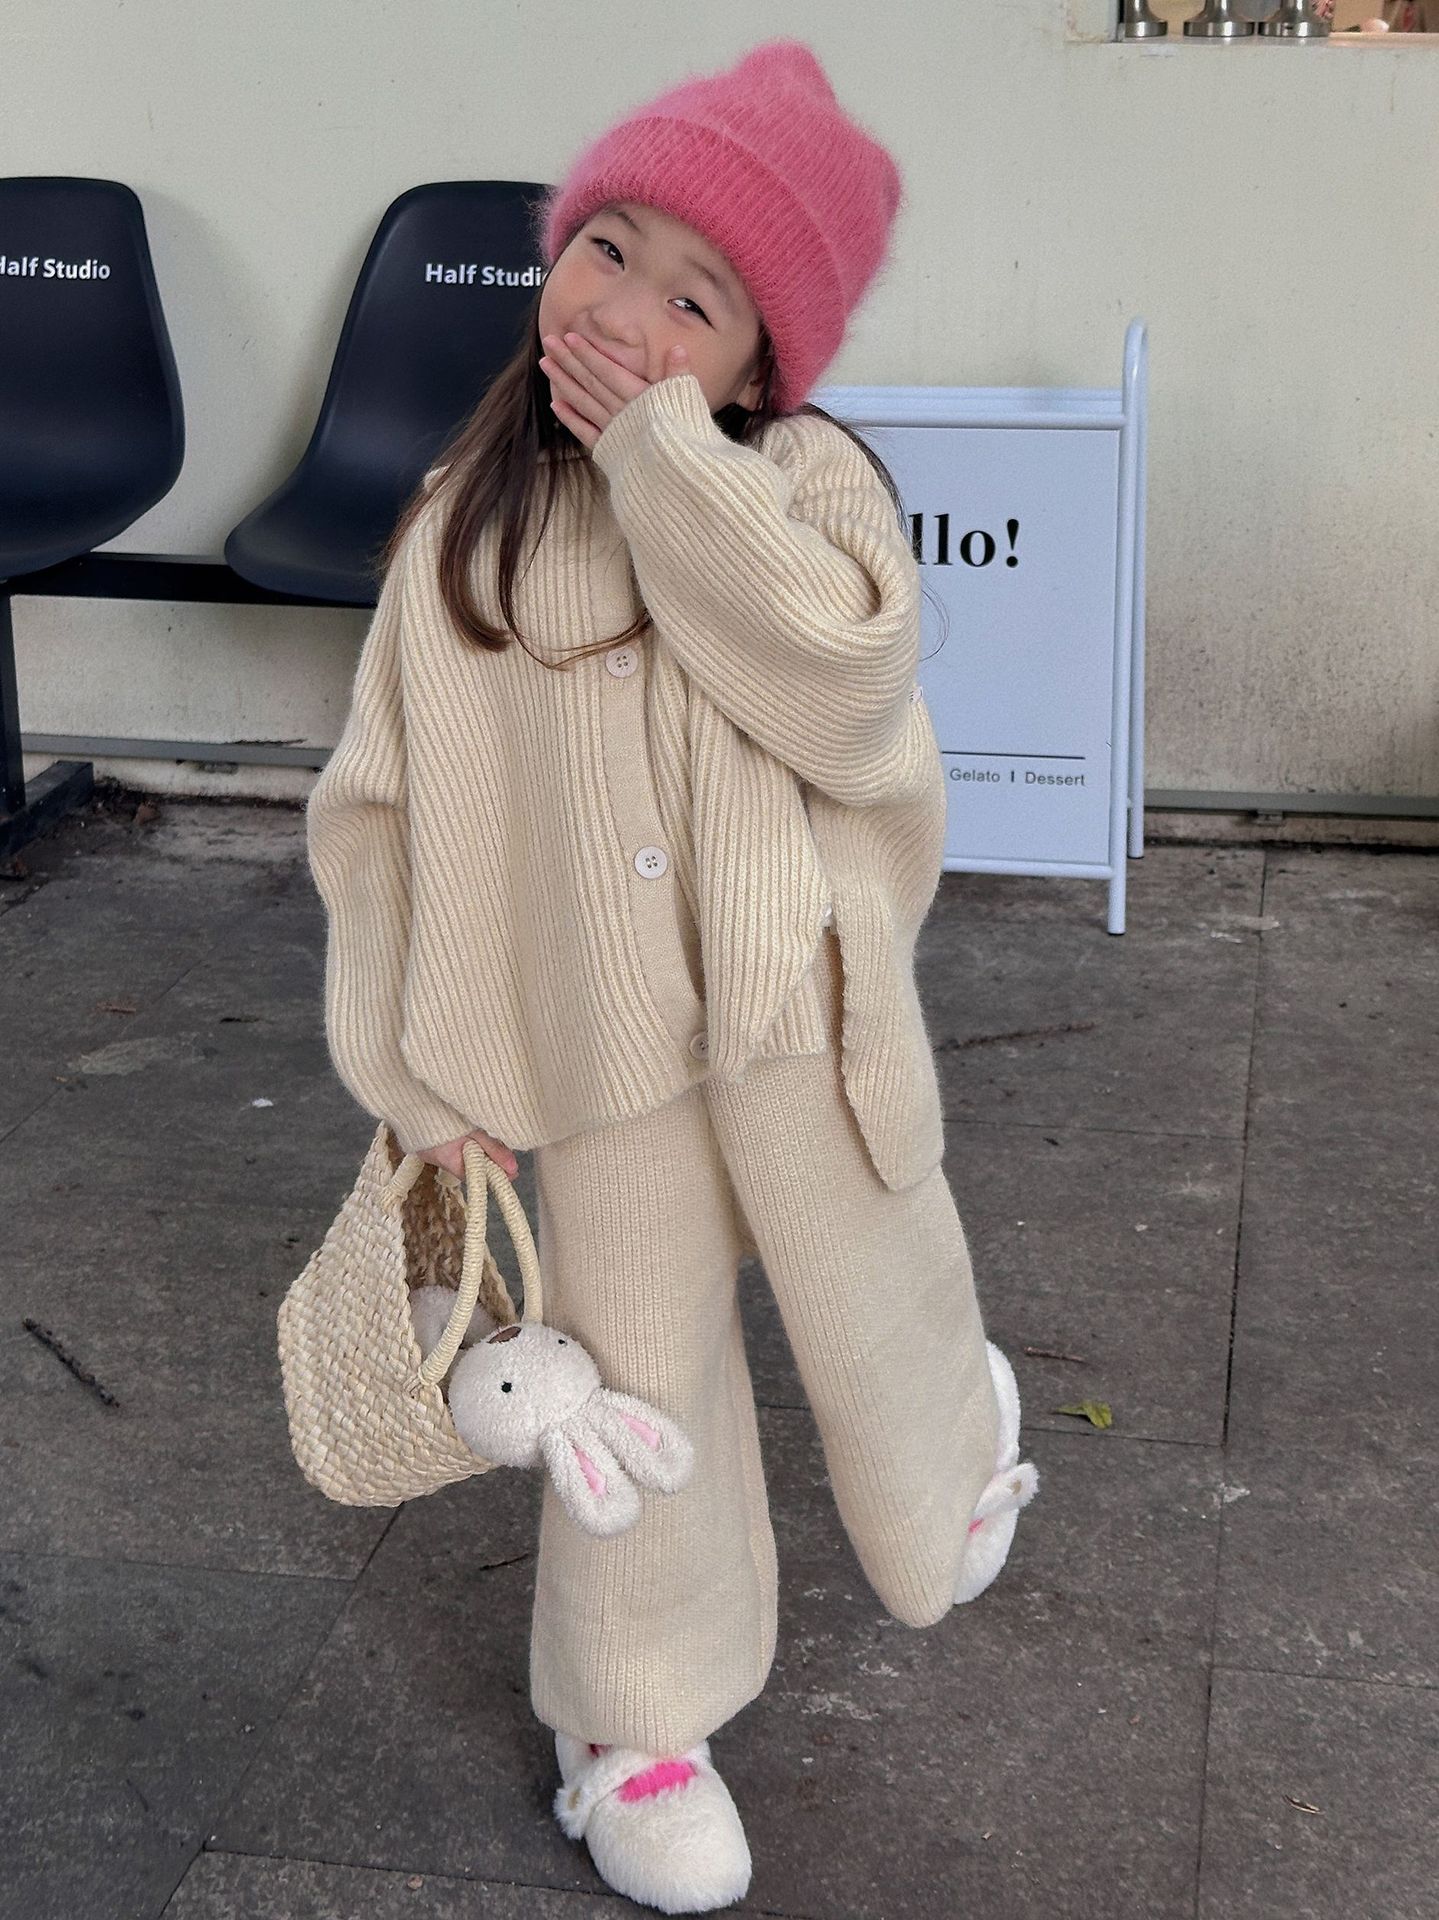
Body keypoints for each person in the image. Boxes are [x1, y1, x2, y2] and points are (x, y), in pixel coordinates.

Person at [305, 37, 1039, 1915]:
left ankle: (955, 1439)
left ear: (764, 366)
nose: (626, 311)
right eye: (606, 247)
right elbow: (381, 805)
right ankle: (634, 1722)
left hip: (797, 1010)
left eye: (695, 300)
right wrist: (419, 1076)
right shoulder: (467, 512)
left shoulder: (808, 485)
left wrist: (664, 464)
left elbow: (842, 693)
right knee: (641, 1375)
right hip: (601, 1048)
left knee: (876, 1281)